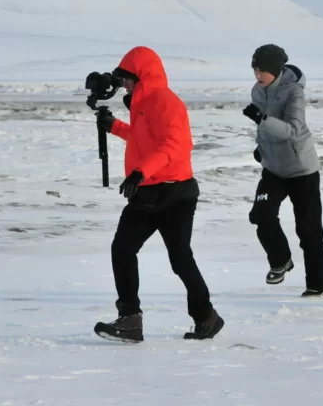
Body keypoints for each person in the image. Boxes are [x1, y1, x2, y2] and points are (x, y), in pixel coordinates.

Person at [92, 46, 224, 343]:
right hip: (148, 192)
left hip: (175, 192)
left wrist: (140, 172)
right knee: (122, 249)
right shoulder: (142, 103)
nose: (123, 84)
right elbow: (143, 138)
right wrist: (114, 127)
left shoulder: (165, 102)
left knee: (180, 258)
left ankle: (206, 317)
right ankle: (130, 320)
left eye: (127, 79)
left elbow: (176, 144)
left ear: (141, 76)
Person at [243, 44, 323, 297]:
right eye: (255, 70)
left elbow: (292, 129)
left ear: (276, 70)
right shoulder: (257, 91)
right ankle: (281, 260)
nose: (257, 75)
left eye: (262, 71)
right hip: (273, 169)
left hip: (302, 170)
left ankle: (317, 286)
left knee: (309, 230)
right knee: (261, 215)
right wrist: (261, 148)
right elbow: (264, 128)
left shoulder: (294, 93)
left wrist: (262, 119)